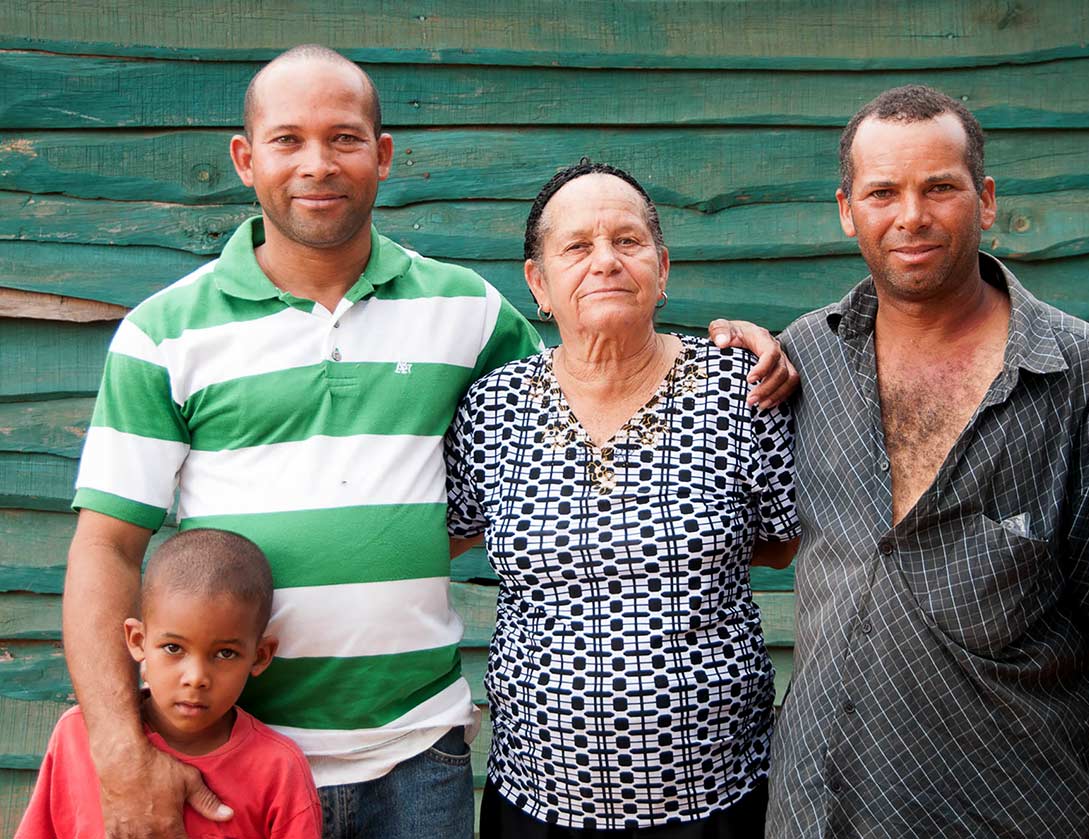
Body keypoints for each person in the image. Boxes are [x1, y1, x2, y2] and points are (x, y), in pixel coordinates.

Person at [62, 45, 799, 839]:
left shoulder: (465, 313)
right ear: (245, 158)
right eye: (288, 140)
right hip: (237, 754)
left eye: (344, 138)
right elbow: (105, 549)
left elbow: (593, 365)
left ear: (382, 156)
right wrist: (116, 743)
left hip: (417, 763)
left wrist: (733, 345)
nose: (318, 164)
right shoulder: (162, 334)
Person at [766, 84, 1089, 839]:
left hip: (1013, 816)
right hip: (817, 816)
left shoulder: (1083, 376)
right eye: (883, 192)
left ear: (985, 199)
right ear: (846, 209)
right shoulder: (807, 358)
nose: (911, 216)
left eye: (940, 188)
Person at [443, 161, 803, 838]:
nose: (605, 262)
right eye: (577, 247)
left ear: (662, 270)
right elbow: (452, 531)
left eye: (628, 242)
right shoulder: (494, 406)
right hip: (538, 802)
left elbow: (784, 540)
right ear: (538, 283)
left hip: (717, 801)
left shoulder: (738, 389)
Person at [19, 529, 321, 839]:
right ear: (138, 641)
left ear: (260, 656)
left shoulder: (278, 770)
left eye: (225, 653)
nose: (196, 678)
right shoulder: (77, 736)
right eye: (174, 648)